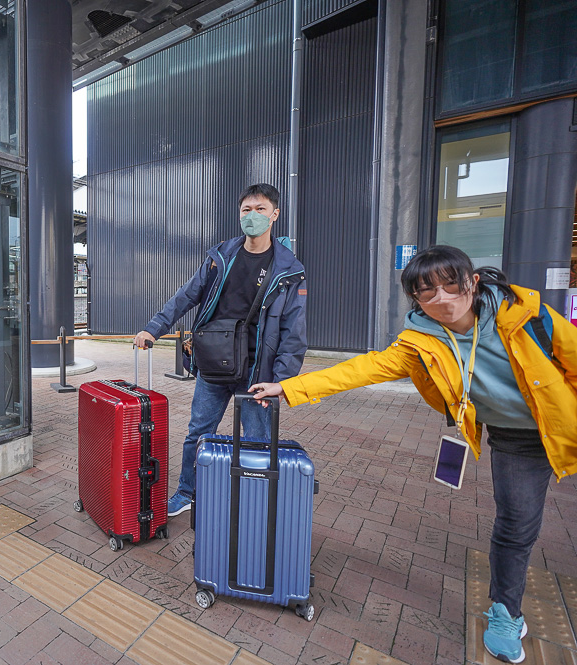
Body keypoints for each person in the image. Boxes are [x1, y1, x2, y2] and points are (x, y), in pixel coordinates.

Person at [249, 245, 577, 665]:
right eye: (427, 292)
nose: (442, 298)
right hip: (517, 440)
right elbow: (364, 368)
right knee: (516, 526)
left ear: (472, 282)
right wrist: (289, 388)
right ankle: (506, 612)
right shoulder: (419, 341)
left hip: (566, 424)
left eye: (450, 284)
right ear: (416, 299)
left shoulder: (527, 315)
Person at [133, 183, 308, 517]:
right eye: (246, 210)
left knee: (257, 440)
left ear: (275, 215)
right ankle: (187, 492)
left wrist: (282, 380)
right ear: (239, 214)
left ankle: (254, 503)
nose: (252, 216)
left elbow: (293, 332)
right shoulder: (221, 256)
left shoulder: (289, 270)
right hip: (213, 365)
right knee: (198, 433)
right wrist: (154, 328)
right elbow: (186, 296)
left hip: (259, 372)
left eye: (260, 209)